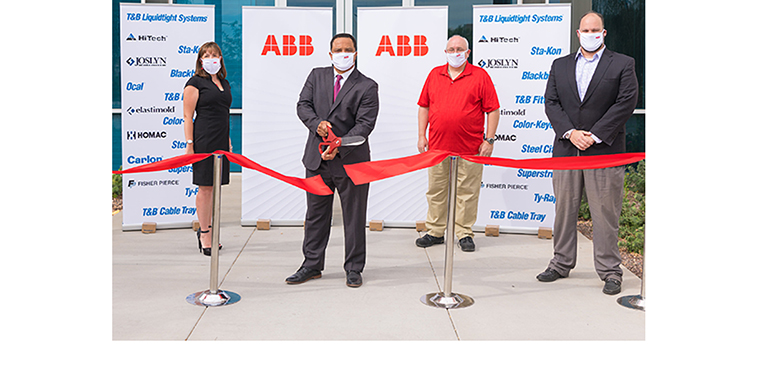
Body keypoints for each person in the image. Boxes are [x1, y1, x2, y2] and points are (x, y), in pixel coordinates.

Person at [536, 11, 638, 295]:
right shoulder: (560, 65)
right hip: (567, 148)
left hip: (604, 150)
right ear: (578, 33)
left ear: (603, 33)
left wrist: (593, 135)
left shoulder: (622, 64)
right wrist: (571, 132)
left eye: (596, 30)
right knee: (564, 211)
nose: (590, 34)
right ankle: (560, 263)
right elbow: (551, 102)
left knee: (605, 213)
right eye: (585, 30)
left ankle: (610, 271)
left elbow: (626, 103)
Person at [285, 33, 379, 288]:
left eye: (348, 49)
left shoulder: (367, 86)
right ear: (330, 54)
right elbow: (303, 105)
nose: (343, 53)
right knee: (315, 215)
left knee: (354, 216)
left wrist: (338, 145)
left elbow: (365, 124)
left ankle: (354, 268)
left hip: (352, 161)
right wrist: (318, 126)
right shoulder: (316, 75)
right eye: (338, 49)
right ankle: (311, 265)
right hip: (317, 160)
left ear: (356, 53)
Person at [415, 35, 500, 252]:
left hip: (471, 147)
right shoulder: (435, 74)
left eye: (459, 49)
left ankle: (464, 233)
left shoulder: (480, 76)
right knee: (436, 190)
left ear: (468, 53)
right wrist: (421, 135)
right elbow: (424, 106)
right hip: (437, 146)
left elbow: (493, 109)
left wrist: (489, 139)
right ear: (445, 52)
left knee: (467, 191)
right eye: (451, 49)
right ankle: (435, 231)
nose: (455, 52)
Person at [183, 42, 233, 256]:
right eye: (207, 55)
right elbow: (188, 116)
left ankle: (211, 230)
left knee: (216, 188)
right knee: (205, 188)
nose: (211, 58)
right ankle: (204, 233)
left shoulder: (224, 82)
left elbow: (223, 112)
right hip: (203, 139)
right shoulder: (194, 83)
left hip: (221, 140)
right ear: (200, 60)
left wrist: (228, 139)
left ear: (220, 59)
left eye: (215, 55)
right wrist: (189, 145)